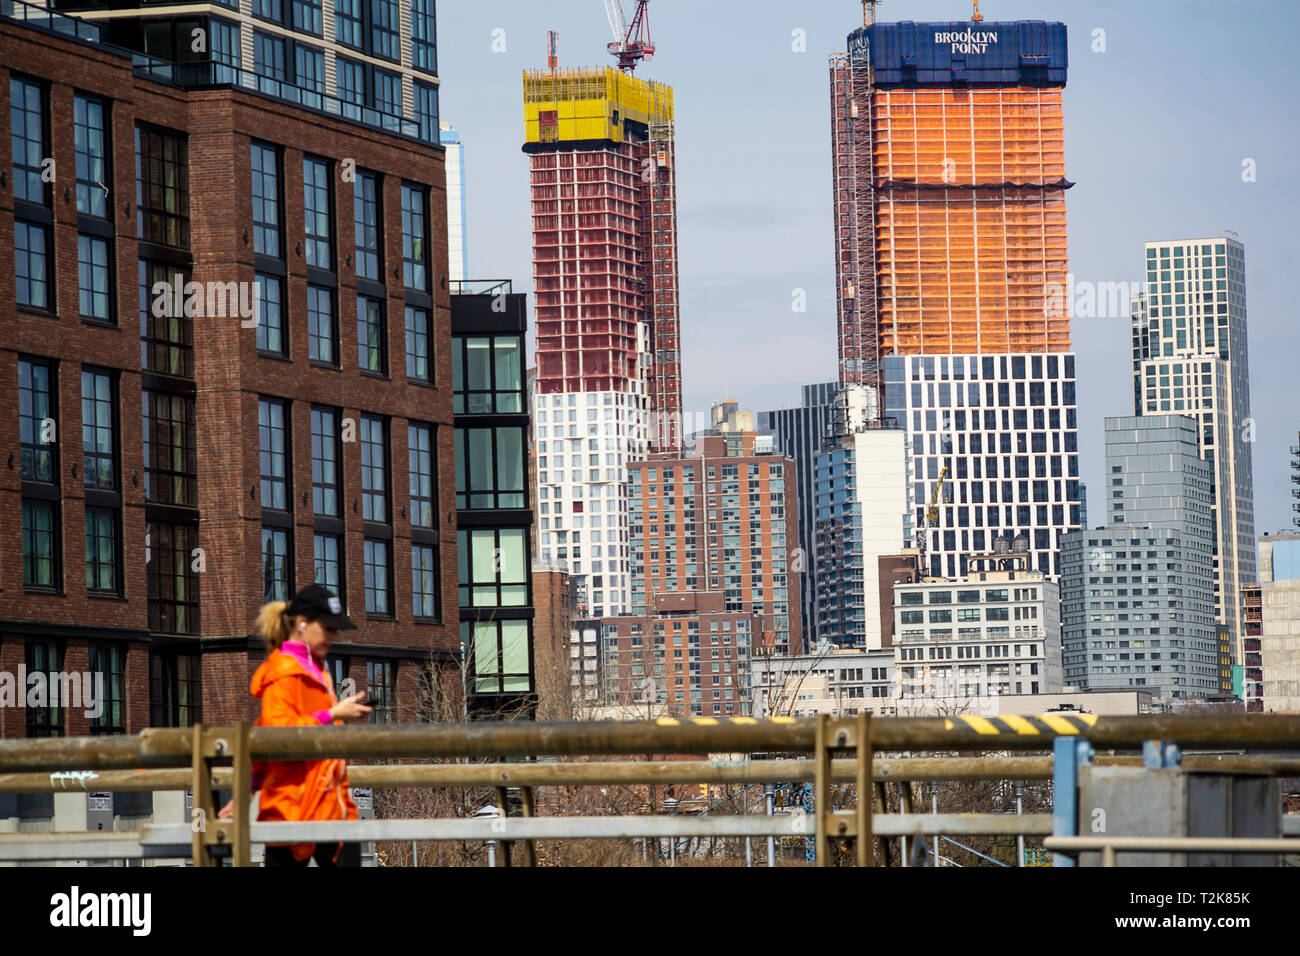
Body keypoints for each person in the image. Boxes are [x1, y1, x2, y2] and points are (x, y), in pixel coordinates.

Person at [221, 585, 373, 867]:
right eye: (328, 627)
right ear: (302, 624)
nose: (334, 635)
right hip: (290, 805)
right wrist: (334, 714)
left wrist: (341, 715)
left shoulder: (316, 667)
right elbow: (276, 736)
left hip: (328, 801)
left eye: (336, 629)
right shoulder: (283, 673)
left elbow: (270, 735)